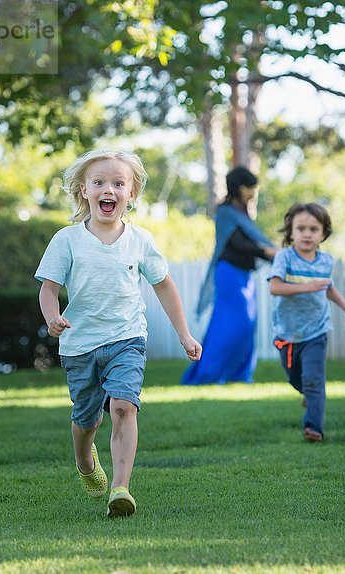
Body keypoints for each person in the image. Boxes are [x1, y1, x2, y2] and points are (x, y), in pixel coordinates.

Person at [35, 149, 202, 518]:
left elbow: (164, 286)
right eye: (99, 182)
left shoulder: (140, 240)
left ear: (131, 193)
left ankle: (120, 488)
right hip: (79, 345)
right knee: (87, 420)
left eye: (118, 183)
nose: (108, 189)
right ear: (84, 190)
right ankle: (84, 462)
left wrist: (184, 335)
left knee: (124, 406)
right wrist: (53, 317)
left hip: (127, 339)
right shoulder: (67, 240)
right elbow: (49, 289)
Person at [269, 203, 345, 442]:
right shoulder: (284, 257)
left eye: (314, 229)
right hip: (287, 332)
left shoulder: (326, 261)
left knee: (314, 379)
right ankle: (307, 393)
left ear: (323, 233)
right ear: (291, 232)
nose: (307, 234)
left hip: (317, 330)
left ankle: (314, 427)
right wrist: (307, 286)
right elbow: (275, 287)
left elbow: (329, 288)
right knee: (294, 377)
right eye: (301, 228)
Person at [181, 166, 276, 385]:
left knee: (247, 324)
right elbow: (239, 243)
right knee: (231, 325)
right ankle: (209, 374)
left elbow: (252, 241)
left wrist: (270, 252)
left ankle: (239, 374)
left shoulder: (244, 213)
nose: (252, 192)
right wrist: (266, 251)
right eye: (248, 187)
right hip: (229, 275)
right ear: (238, 187)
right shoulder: (225, 212)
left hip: (245, 276)